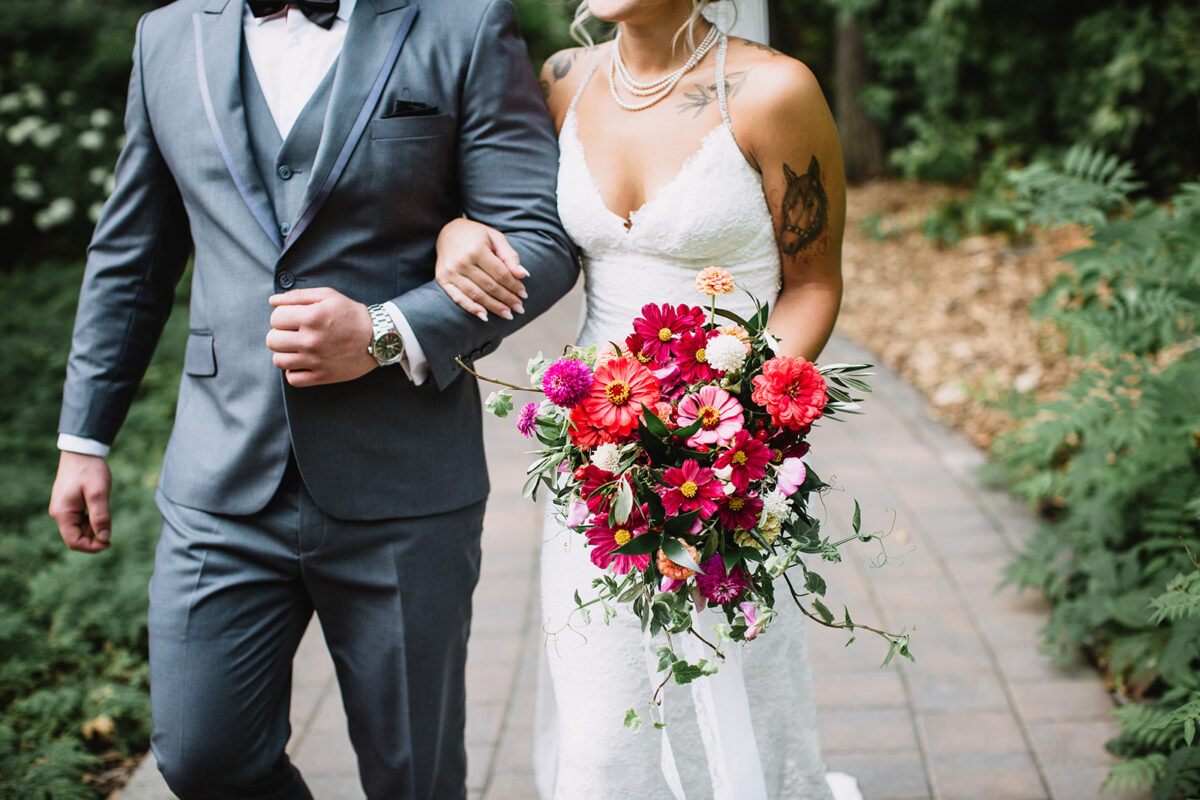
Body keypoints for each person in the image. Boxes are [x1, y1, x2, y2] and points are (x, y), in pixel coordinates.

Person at [47, 1, 578, 798]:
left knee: (415, 777)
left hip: (405, 481)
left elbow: (538, 240)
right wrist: (84, 437)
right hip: (219, 474)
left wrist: (384, 331)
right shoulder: (168, 34)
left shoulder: (461, 25)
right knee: (200, 755)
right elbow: (133, 253)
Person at [434, 0, 861, 797]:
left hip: (725, 451)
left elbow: (813, 284)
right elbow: (503, 219)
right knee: (603, 730)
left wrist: (736, 418)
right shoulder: (562, 81)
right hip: (592, 448)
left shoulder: (773, 92)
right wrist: (454, 230)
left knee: (734, 699)